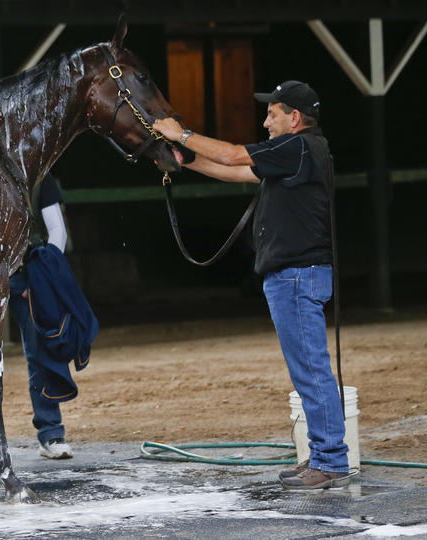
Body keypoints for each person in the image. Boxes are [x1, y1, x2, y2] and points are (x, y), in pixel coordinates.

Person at [153, 80, 350, 490]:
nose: (265, 122)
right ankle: (324, 455)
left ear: (294, 118)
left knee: (312, 372)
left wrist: (180, 133)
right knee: (309, 372)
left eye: (272, 114)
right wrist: (184, 160)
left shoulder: (297, 147)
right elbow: (238, 171)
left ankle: (330, 461)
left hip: (296, 276)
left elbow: (232, 154)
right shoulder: (299, 152)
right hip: (297, 276)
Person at [0, 172, 76, 461]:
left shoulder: (41, 178)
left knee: (40, 354)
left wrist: (45, 277)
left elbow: (57, 232)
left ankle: (51, 432)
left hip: (27, 277)